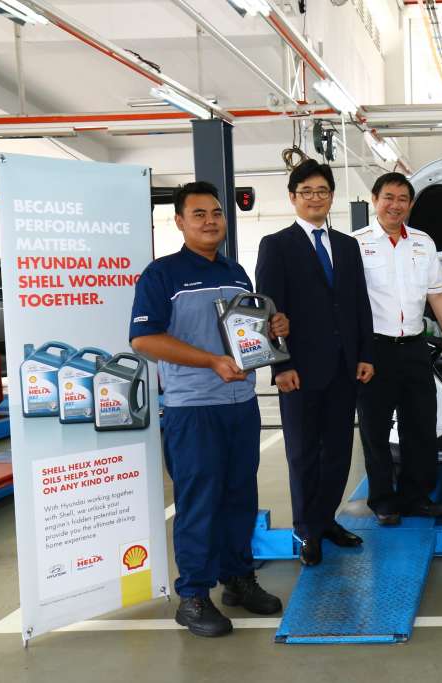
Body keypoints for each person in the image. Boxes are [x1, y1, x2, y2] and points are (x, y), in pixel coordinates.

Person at [130, 181, 286, 638]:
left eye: (216, 212)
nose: (210, 220)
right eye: (198, 214)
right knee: (199, 502)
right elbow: (143, 339)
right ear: (179, 221)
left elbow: (246, 333)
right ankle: (193, 595)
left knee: (240, 495)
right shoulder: (162, 275)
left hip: (240, 403)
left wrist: (273, 327)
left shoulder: (237, 272)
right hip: (193, 407)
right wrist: (211, 361)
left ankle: (237, 577)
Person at [255, 160, 375, 566]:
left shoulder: (347, 245)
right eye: (306, 191)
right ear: (293, 197)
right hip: (299, 372)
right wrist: (280, 366)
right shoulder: (277, 244)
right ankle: (307, 530)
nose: (315, 198)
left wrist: (364, 355)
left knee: (339, 452)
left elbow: (359, 304)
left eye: (322, 190)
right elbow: (268, 313)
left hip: (344, 368)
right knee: (303, 453)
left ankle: (325, 520)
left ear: (331, 196)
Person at [353, 172, 442, 525]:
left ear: (410, 205)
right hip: (374, 349)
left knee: (420, 426)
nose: (395, 205)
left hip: (415, 347)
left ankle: (417, 497)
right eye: (388, 197)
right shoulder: (356, 244)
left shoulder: (423, 243)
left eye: (402, 199)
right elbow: (346, 302)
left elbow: (437, 293)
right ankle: (383, 500)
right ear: (374, 199)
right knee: (375, 429)